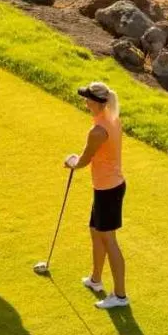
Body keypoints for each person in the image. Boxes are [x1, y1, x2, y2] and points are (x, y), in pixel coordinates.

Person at [64, 82, 129, 309]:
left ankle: (119, 296)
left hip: (109, 190)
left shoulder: (98, 131)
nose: (85, 101)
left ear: (97, 102)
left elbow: (84, 159)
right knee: (95, 231)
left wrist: (72, 163)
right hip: (106, 186)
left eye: (88, 98)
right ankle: (96, 279)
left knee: (109, 239)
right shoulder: (111, 119)